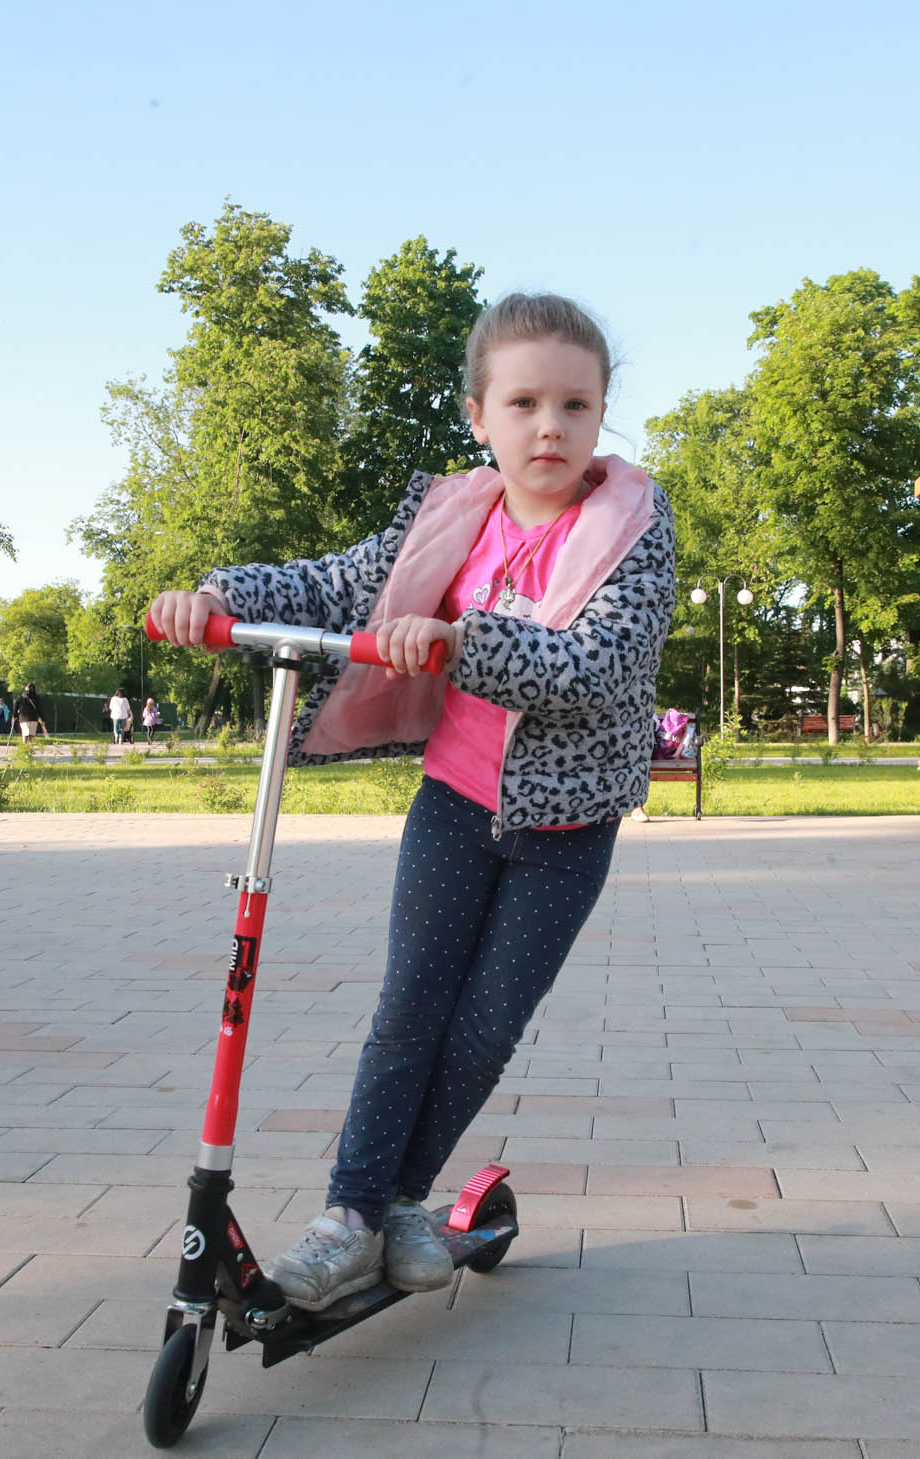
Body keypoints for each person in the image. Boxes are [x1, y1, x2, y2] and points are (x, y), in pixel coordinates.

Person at [147, 292, 674, 1311]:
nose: (550, 426)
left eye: (575, 404)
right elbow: (339, 582)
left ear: (601, 415)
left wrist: (460, 641)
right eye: (522, 403)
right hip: (454, 804)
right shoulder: (450, 517)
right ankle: (351, 1217)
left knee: (483, 1027)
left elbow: (599, 664)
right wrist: (219, 596)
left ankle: (398, 1200)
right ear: (479, 416)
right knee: (408, 1011)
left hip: (566, 827)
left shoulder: (632, 528)